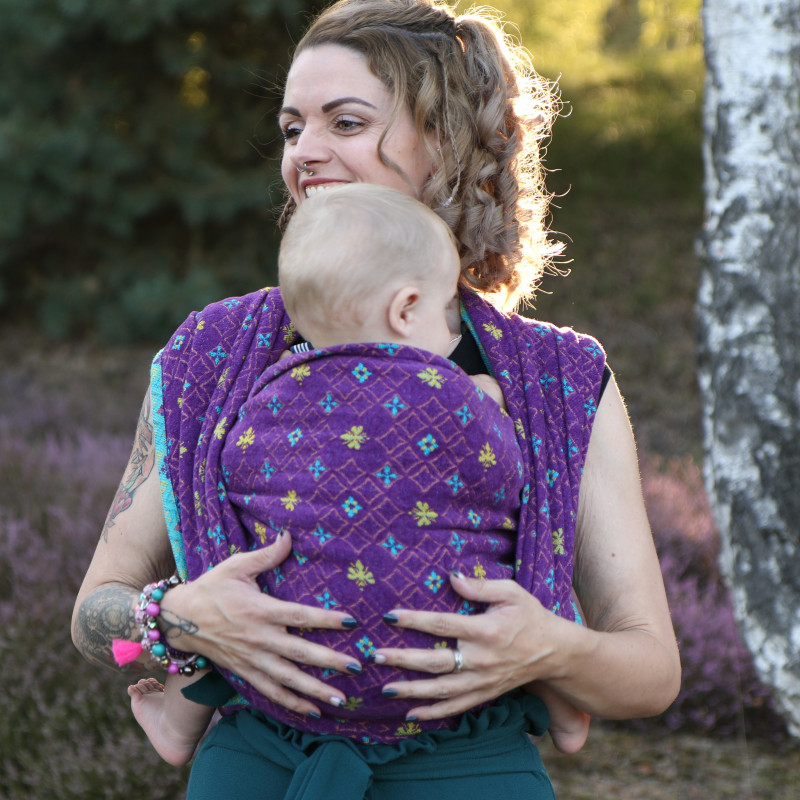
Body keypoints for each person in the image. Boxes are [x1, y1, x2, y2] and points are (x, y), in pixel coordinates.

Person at [72, 1, 681, 797]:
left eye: (345, 122)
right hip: (258, 768)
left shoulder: (555, 382)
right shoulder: (209, 362)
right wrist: (181, 620)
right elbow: (94, 621)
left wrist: (553, 651)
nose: (306, 154)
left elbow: (653, 672)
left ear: (448, 141)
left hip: (471, 774)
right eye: (293, 129)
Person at [124, 183, 590, 766]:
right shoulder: (460, 397)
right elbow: (521, 481)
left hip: (290, 664)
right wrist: (487, 400)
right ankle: (567, 715)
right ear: (405, 309)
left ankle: (176, 723)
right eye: (443, 308)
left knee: (220, 570)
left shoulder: (261, 395)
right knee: (539, 552)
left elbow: (225, 486)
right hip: (442, 657)